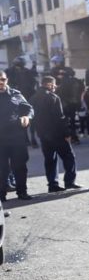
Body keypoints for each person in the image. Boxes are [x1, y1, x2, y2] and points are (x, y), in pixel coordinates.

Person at [30, 76, 79, 192]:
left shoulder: (33, 98)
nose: (55, 87)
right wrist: (67, 133)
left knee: (50, 160)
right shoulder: (53, 97)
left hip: (43, 135)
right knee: (69, 157)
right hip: (56, 134)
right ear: (49, 85)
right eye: (54, 84)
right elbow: (59, 118)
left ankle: (53, 185)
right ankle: (69, 182)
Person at [0, 70, 34, 202]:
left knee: (20, 167)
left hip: (17, 138)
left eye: (3, 79)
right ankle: (1, 195)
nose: (0, 82)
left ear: (7, 80)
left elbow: (29, 108)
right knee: (1, 169)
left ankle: (22, 192)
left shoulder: (16, 94)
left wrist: (27, 116)